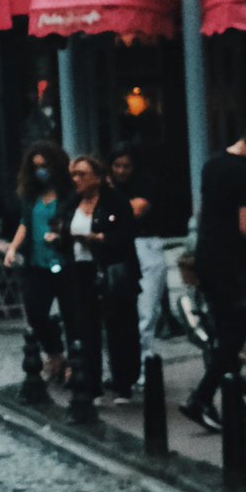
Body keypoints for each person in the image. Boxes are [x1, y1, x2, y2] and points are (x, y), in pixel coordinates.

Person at [181, 116, 246, 432]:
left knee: (230, 329)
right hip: (229, 262)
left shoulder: (213, 165)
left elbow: (206, 211)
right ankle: (201, 398)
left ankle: (236, 403)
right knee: (235, 332)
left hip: (208, 256)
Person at [52, 155, 142, 402]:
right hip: (81, 270)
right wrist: (59, 239)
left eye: (82, 174)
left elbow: (127, 234)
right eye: (74, 175)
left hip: (110, 270)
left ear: (97, 177)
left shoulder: (115, 202)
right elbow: (63, 231)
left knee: (119, 326)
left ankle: (123, 382)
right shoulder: (72, 204)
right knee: (85, 327)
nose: (76, 179)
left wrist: (101, 239)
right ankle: (91, 384)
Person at [4, 142, 72, 383]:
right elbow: (25, 222)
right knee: (35, 311)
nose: (41, 171)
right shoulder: (32, 197)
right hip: (37, 262)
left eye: (45, 166)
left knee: (71, 313)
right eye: (36, 167)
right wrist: (12, 248)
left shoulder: (68, 195)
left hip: (64, 261)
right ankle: (55, 354)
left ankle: (73, 363)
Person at [108, 145, 167, 363]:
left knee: (146, 310)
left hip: (145, 244)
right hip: (119, 248)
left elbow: (136, 211)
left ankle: (144, 365)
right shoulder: (109, 189)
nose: (122, 171)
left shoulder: (143, 185)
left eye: (126, 166)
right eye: (117, 166)